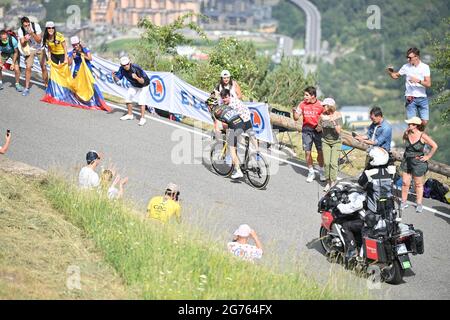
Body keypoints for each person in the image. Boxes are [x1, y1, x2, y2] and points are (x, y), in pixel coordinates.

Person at [206, 92, 255, 180]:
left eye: (208, 106)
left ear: (210, 106)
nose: (208, 108)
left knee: (231, 148)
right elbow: (228, 120)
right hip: (242, 123)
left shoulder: (214, 112)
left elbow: (217, 128)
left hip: (235, 127)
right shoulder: (225, 106)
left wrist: (219, 141)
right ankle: (251, 152)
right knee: (235, 140)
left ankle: (238, 171)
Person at [400, 117, 438, 213]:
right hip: (407, 161)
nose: (409, 125)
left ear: (416, 125)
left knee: (418, 184)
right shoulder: (407, 133)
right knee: (405, 182)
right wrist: (405, 135)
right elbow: (404, 141)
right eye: (408, 124)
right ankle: (403, 202)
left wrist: (428, 157)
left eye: (411, 124)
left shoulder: (422, 136)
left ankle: (419, 204)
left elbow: (434, 146)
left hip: (418, 163)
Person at [387, 48, 431, 126]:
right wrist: (390, 72)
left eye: (410, 58)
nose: (408, 59)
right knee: (411, 124)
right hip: (410, 98)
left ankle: (418, 135)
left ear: (416, 57)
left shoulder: (425, 67)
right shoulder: (406, 67)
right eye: (407, 57)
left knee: (424, 123)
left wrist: (418, 81)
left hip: (422, 97)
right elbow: (395, 76)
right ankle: (413, 135)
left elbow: (428, 84)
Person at [357, 147, 396, 232]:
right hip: (389, 207)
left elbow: (360, 183)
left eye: (371, 158)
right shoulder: (391, 172)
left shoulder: (369, 173)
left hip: (373, 210)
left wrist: (367, 168)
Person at [292, 86, 326, 183]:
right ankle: (311, 172)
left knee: (320, 152)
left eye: (306, 95)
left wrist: (321, 126)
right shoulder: (302, 104)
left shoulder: (320, 105)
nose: (304, 97)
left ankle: (321, 171)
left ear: (313, 96)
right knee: (307, 152)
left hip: (318, 131)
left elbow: (327, 117)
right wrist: (294, 111)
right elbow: (296, 118)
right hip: (306, 130)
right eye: (304, 94)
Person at [112, 56, 150, 126]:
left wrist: (136, 77)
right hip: (134, 85)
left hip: (144, 84)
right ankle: (130, 115)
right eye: (124, 65)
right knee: (128, 97)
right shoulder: (121, 69)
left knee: (141, 99)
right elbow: (117, 81)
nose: (126, 66)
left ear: (130, 63)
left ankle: (142, 118)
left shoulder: (136, 68)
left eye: (127, 64)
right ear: (121, 65)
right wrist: (114, 77)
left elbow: (142, 81)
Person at [17, 16, 47, 96]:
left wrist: (32, 33)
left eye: (28, 25)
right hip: (30, 49)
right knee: (28, 67)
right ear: (22, 25)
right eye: (25, 26)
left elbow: (39, 40)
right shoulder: (20, 30)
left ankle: (46, 86)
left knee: (43, 67)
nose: (27, 27)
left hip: (40, 47)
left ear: (29, 23)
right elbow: (22, 43)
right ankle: (26, 88)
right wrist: (25, 40)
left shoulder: (36, 26)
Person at [316, 98, 342, 192]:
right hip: (325, 141)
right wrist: (320, 122)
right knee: (326, 163)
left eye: (324, 105)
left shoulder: (337, 115)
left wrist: (332, 121)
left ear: (330, 106)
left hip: (336, 141)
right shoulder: (322, 115)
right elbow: (318, 128)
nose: (322, 107)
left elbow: (338, 131)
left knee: (333, 163)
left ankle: (333, 182)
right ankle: (328, 182)